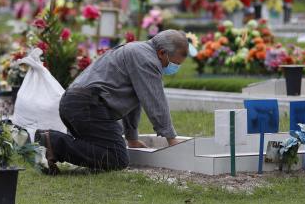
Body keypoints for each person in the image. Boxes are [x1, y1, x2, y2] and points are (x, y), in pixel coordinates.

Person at [37, 30, 193, 172]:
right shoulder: (147, 60)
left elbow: (136, 100)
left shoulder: (137, 50)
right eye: (174, 63)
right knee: (116, 158)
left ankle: (49, 148)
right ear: (161, 53)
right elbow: (155, 100)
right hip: (88, 105)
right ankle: (53, 143)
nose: (173, 68)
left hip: (75, 104)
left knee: (103, 150)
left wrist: (132, 139)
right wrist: (171, 139)